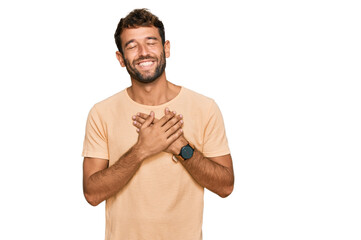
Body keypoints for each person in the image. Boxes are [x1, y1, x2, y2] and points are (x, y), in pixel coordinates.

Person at [82, 8, 234, 240]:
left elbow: (225, 187)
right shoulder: (101, 113)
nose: (143, 52)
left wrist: (181, 147)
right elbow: (92, 194)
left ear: (166, 48)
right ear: (121, 58)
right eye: (132, 46)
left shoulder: (205, 108)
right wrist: (142, 149)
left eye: (151, 42)